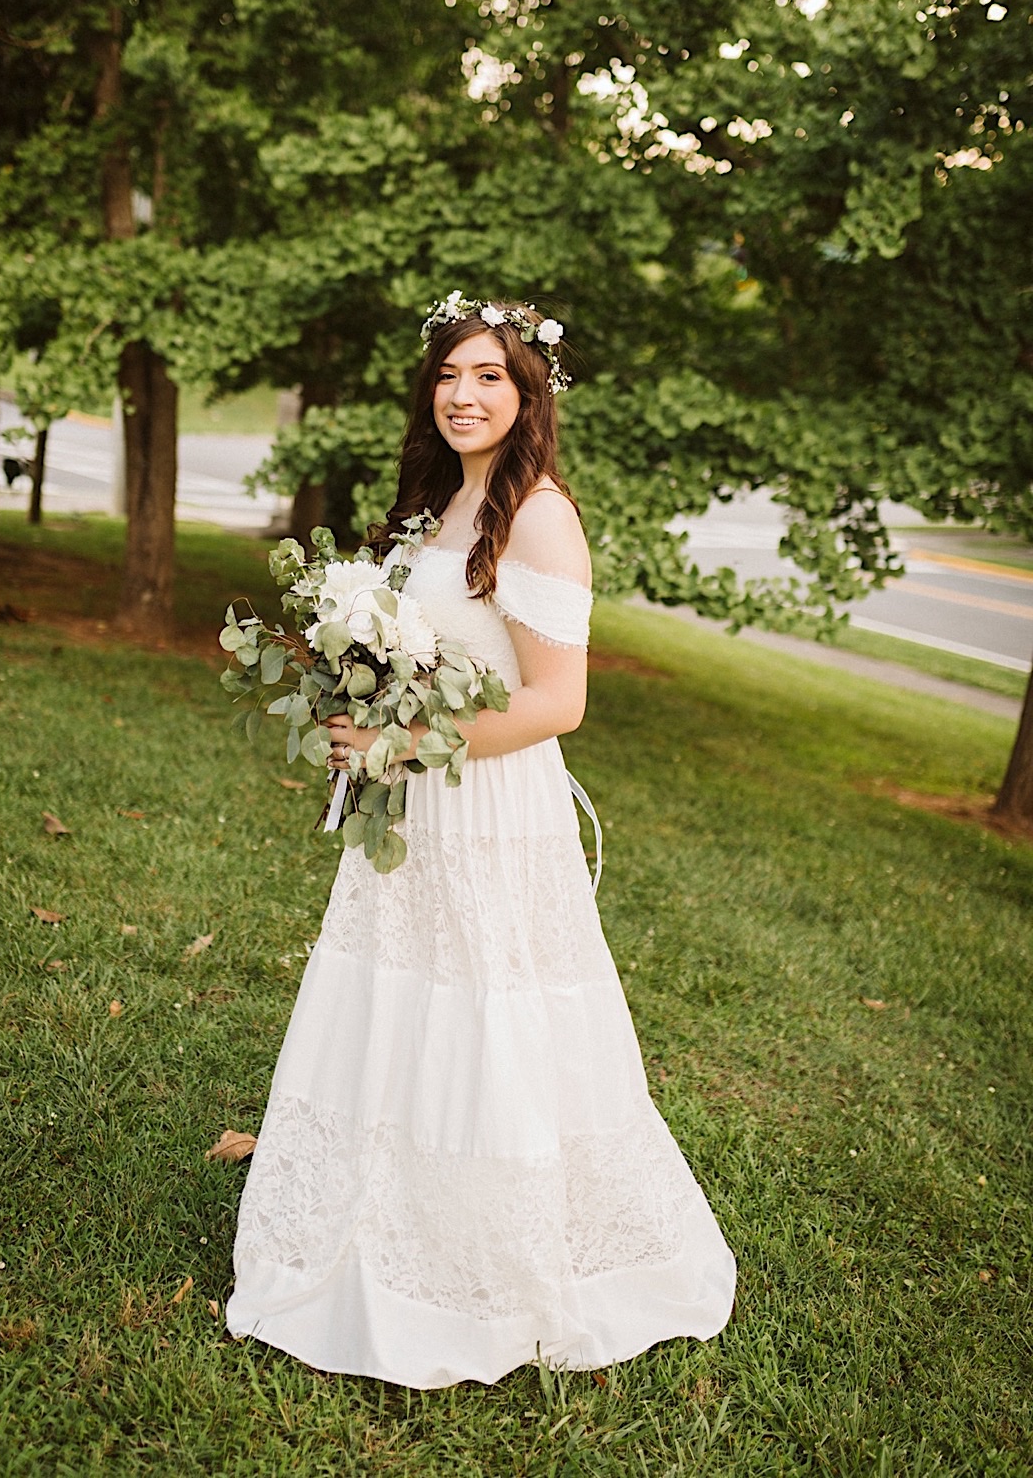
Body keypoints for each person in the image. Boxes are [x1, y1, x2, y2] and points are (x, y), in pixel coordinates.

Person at [225, 295, 736, 1388]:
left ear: (527, 392)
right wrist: (356, 723)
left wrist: (406, 743)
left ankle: (492, 1260)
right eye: (450, 375)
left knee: (486, 1008)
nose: (465, 394)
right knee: (404, 998)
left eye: (489, 377)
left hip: (492, 803)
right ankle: (384, 1226)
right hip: (418, 808)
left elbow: (558, 702)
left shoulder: (539, 515)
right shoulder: (438, 507)